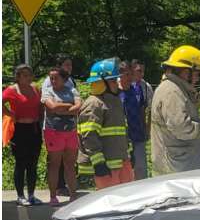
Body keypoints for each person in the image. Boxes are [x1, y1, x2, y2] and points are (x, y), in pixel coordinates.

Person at [150, 45, 200, 175]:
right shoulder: (172, 92)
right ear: (186, 72)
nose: (198, 79)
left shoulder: (175, 89)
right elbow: (183, 129)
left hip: (181, 167)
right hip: (176, 172)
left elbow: (179, 123)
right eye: (197, 74)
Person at [77, 58, 133, 189]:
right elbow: (89, 136)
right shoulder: (94, 104)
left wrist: (129, 154)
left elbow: (121, 132)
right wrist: (98, 163)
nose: (117, 83)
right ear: (101, 83)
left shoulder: (114, 101)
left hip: (121, 163)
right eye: (113, 80)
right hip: (106, 168)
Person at [2, 64, 43, 206]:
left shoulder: (36, 89)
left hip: (34, 129)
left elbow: (40, 107)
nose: (28, 77)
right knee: (21, 163)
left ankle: (31, 195)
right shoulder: (12, 90)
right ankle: (20, 196)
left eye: (30, 74)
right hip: (19, 129)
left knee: (33, 163)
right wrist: (8, 113)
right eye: (24, 75)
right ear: (18, 77)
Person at [41, 67, 81, 205]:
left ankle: (73, 195)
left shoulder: (72, 90)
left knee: (70, 164)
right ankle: (53, 196)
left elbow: (78, 107)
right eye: (51, 78)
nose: (53, 81)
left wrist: (61, 109)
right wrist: (69, 106)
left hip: (70, 132)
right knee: (54, 164)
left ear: (64, 79)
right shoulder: (47, 92)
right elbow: (52, 107)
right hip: (53, 132)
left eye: (56, 78)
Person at [118, 61, 148, 180]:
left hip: (137, 132)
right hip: (121, 136)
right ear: (119, 75)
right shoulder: (115, 91)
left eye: (131, 74)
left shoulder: (137, 89)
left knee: (140, 166)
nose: (130, 77)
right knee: (125, 168)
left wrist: (145, 128)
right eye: (126, 74)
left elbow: (142, 110)